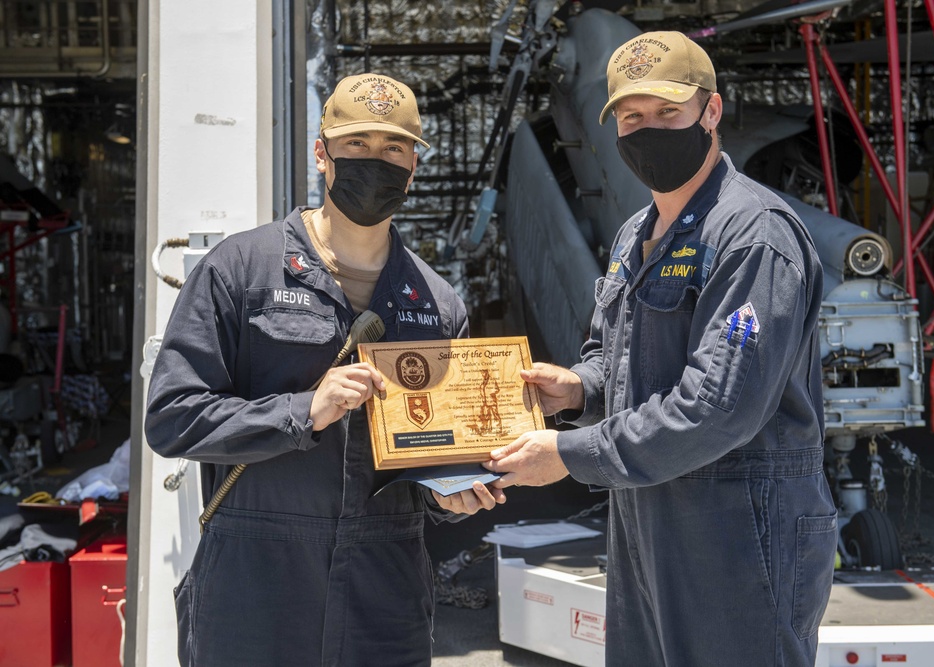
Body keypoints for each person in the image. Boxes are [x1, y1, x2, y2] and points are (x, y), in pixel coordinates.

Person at [486, 31, 837, 665]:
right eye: (632, 117)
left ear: (712, 110)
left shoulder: (753, 237)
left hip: (740, 525)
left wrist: (570, 453)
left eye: (668, 113)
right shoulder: (634, 234)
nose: (649, 130)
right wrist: (579, 388)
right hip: (648, 519)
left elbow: (719, 406)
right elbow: (609, 351)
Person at [145, 72, 504, 667]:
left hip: (384, 591)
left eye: (394, 147)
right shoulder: (241, 270)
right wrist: (303, 410)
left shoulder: (438, 304)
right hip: (256, 580)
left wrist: (458, 492)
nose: (376, 160)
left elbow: (437, 463)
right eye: (357, 144)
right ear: (322, 154)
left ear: (414, 164)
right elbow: (172, 418)